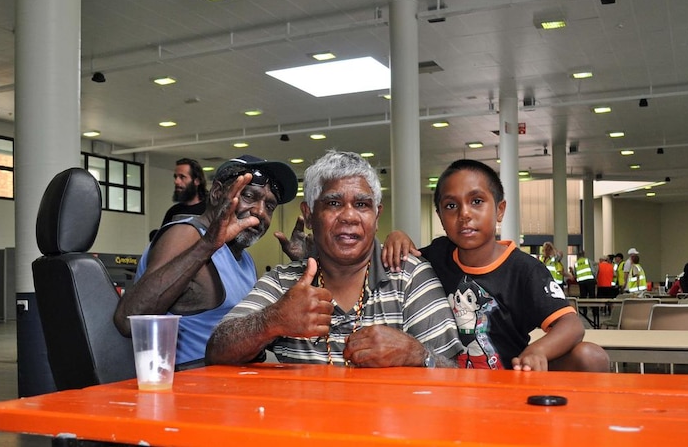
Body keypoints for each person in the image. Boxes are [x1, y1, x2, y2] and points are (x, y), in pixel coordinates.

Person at [205, 150, 461, 368]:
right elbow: (217, 351)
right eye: (334, 203)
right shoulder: (285, 283)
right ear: (308, 214)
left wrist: (417, 354)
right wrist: (273, 321)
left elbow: (456, 374)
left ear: (376, 215)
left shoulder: (409, 277)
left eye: (362, 205)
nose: (349, 217)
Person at [381, 159, 609, 372]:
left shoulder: (524, 269)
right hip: (448, 383)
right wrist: (397, 236)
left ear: (500, 210)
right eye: (451, 206)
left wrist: (538, 350)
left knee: (590, 355)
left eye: (477, 201)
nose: (464, 214)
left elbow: (571, 325)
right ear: (439, 215)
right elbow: (405, 257)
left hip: (509, 380)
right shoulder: (438, 255)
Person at [114, 155, 299, 366]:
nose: (260, 212)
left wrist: (305, 266)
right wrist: (207, 244)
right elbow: (128, 319)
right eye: (249, 196)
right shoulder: (187, 235)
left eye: (270, 206)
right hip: (186, 387)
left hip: (233, 383)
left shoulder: (244, 258)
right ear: (218, 192)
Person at [161, 158, 208, 227]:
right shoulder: (173, 212)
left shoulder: (209, 210)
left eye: (182, 177)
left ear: (197, 181)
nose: (176, 182)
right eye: (175, 177)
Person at [572, 250, 598, 325]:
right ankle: (594, 312)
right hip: (590, 280)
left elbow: (575, 273)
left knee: (583, 297)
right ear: (584, 254)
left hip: (581, 282)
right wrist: (595, 278)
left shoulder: (576, 263)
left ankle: (584, 312)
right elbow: (593, 270)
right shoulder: (587, 260)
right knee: (592, 296)